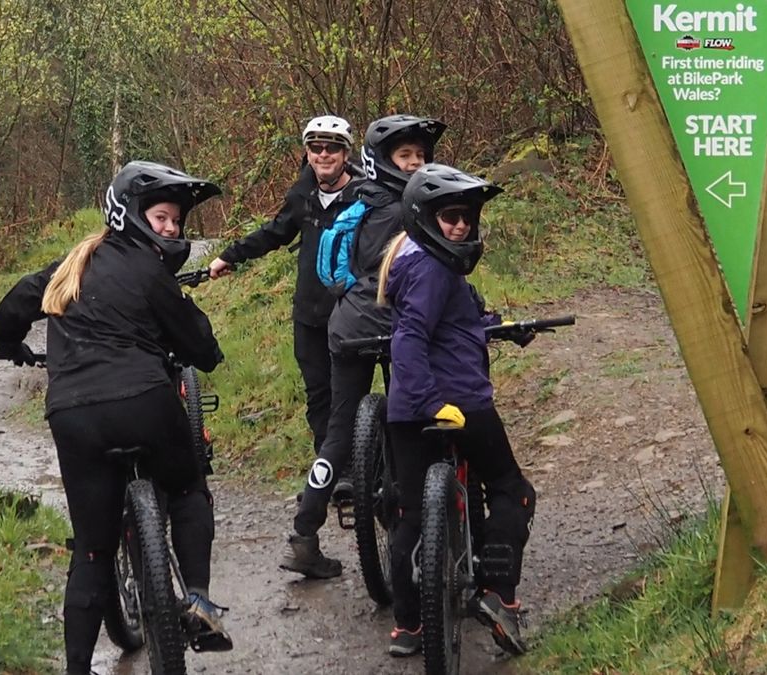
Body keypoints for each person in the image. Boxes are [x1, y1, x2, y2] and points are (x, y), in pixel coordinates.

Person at [0, 161, 234, 674]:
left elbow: (16, 302)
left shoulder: (73, 263)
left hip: (73, 415)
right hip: (145, 401)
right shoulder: (151, 273)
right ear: (130, 213)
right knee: (188, 487)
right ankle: (199, 600)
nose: (170, 229)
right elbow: (201, 347)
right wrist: (206, 353)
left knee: (93, 551)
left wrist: (9, 343)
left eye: (176, 222)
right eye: (162, 218)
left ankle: (77, 667)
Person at [377, 163, 536, 657]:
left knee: (409, 515)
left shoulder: (416, 259)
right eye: (451, 216)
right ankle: (497, 593)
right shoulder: (432, 267)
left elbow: (460, 316)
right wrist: (435, 402)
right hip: (456, 402)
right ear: (425, 216)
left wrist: (501, 324)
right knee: (513, 490)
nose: (462, 225)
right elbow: (410, 339)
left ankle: (408, 626)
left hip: (406, 411)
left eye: (467, 217)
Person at [281, 115, 446, 579]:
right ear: (384, 160)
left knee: (338, 431)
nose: (414, 164)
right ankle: (421, 517)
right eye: (405, 156)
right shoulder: (413, 209)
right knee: (414, 413)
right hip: (396, 322)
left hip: (346, 322)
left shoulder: (359, 198)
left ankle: (304, 532)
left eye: (420, 156)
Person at [208, 115, 361, 461]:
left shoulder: (363, 198)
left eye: (332, 148)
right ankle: (330, 471)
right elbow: (275, 233)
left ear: (346, 153)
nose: (324, 155)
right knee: (319, 396)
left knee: (348, 395)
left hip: (352, 313)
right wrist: (230, 256)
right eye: (316, 148)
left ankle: (361, 466)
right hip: (309, 314)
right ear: (307, 153)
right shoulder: (302, 196)